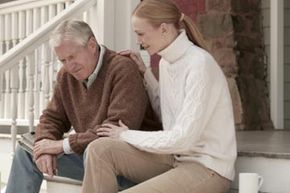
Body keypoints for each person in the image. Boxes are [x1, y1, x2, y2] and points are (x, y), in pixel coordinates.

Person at [81, 0, 237, 193]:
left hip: (207, 169)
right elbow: (168, 114)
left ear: (163, 29)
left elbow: (183, 139)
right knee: (100, 150)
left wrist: (126, 135)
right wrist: (146, 74)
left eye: (140, 33)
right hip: (174, 158)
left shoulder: (199, 64)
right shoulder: (166, 63)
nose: (138, 41)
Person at [5, 20, 161, 193]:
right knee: (27, 149)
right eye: (63, 60)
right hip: (90, 154)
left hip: (131, 162)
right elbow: (52, 117)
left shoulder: (122, 68)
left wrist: (61, 145)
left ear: (92, 45)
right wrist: (44, 146)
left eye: (72, 57)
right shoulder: (67, 75)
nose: (69, 66)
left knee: (95, 150)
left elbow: (115, 129)